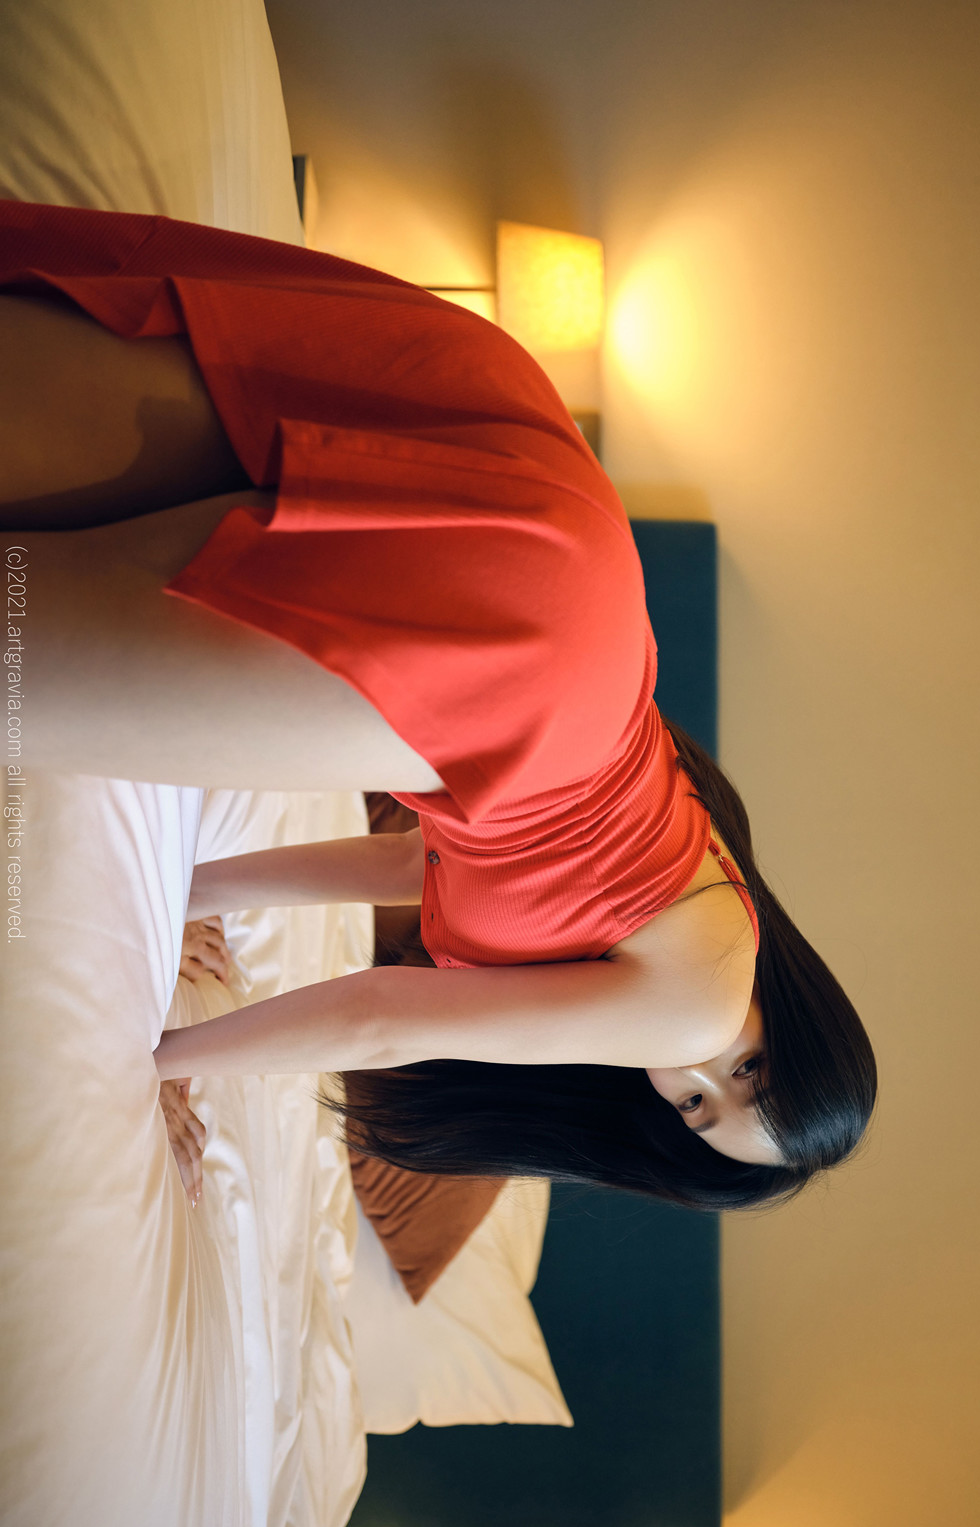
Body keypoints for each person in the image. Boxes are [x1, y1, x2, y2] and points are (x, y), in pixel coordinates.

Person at [2, 201, 876, 1212]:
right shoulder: (696, 1007)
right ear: (792, 1015)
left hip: (566, 539)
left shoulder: (714, 872)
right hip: (521, 665)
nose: (695, 1068)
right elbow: (385, 1016)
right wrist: (157, 1065)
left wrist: (184, 897)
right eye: (748, 1072)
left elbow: (414, 864)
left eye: (693, 1107)